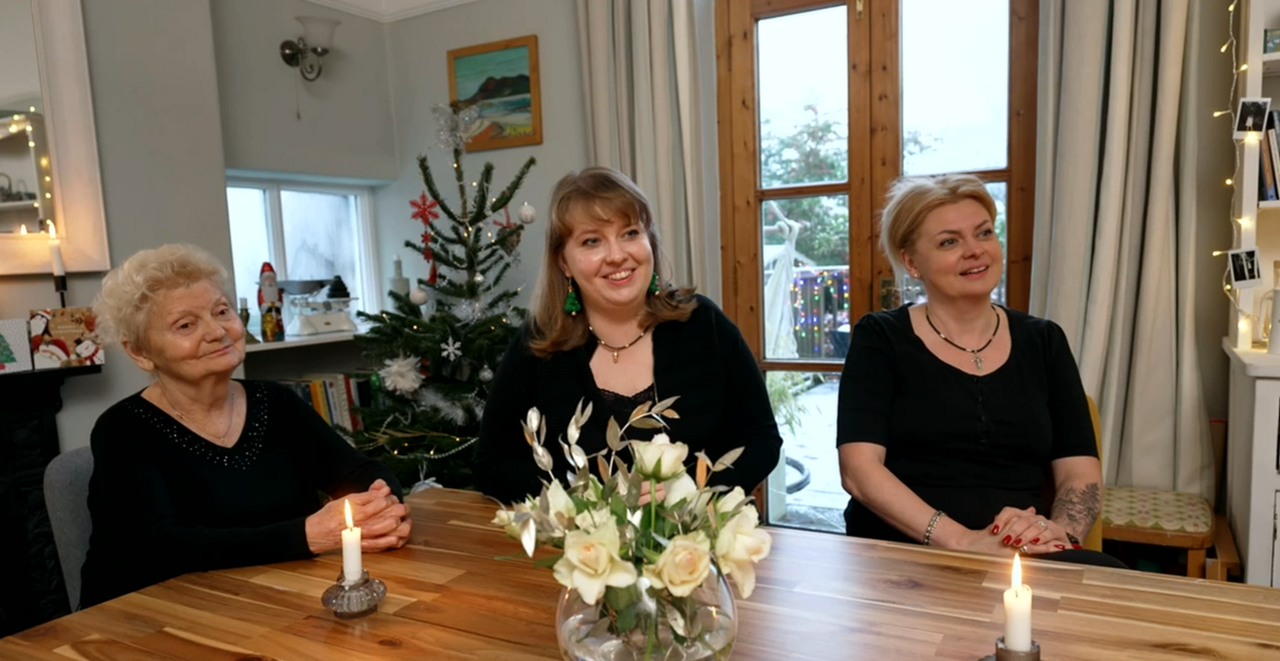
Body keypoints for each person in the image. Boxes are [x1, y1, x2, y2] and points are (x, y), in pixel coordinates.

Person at [80, 244, 411, 609]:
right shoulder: (123, 429)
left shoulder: (276, 402)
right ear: (140, 353)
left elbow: (362, 470)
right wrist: (309, 535)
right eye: (186, 325)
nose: (217, 331)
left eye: (221, 311)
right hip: (148, 616)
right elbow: (163, 545)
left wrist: (382, 510)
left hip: (271, 597)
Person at [837, 174, 1118, 567]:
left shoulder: (1045, 340)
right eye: (949, 241)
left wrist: (1059, 534)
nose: (975, 251)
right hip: (903, 554)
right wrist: (963, 541)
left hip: (1025, 556)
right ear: (911, 262)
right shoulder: (879, 338)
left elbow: (1079, 471)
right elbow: (859, 471)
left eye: (984, 233)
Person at [475, 167, 782, 503]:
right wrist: (586, 499)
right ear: (564, 262)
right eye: (592, 241)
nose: (617, 255)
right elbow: (492, 465)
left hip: (701, 542)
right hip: (581, 548)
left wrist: (690, 491)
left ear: (649, 240)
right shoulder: (536, 347)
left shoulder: (704, 324)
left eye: (630, 233)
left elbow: (761, 440)